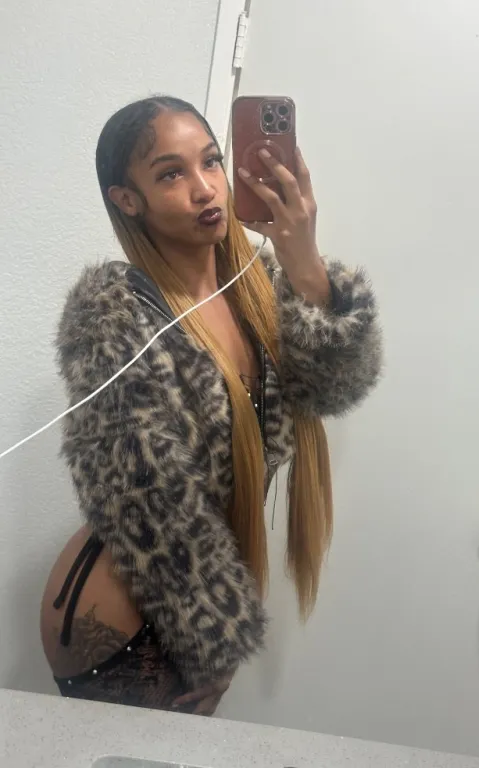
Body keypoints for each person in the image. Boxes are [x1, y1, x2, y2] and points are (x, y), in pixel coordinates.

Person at [39, 96, 382, 715]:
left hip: (196, 595)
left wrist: (305, 261)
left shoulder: (261, 289)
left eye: (212, 162)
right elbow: (140, 492)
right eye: (172, 173)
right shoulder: (112, 312)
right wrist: (212, 634)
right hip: (125, 602)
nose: (205, 188)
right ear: (128, 200)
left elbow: (334, 389)